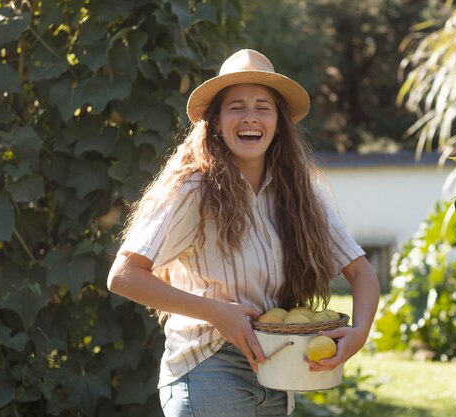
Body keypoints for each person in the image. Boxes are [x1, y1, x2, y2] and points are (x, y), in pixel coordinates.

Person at [107, 49, 380, 417]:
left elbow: (361, 272)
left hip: (279, 373)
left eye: (262, 107)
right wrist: (216, 312)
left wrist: (359, 333)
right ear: (216, 122)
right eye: (236, 106)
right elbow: (123, 277)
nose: (250, 117)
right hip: (208, 369)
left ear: (279, 123)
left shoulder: (300, 192)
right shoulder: (192, 188)